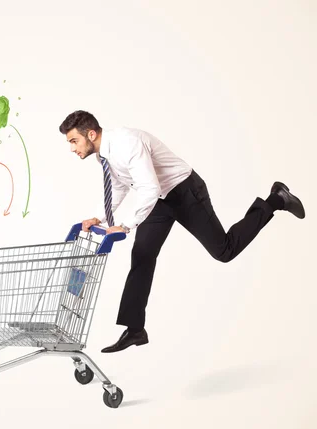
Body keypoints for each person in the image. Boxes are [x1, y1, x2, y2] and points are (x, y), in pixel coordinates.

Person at [59, 110, 306, 353]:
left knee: (224, 251)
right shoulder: (104, 156)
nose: (72, 148)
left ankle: (275, 200)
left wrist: (125, 225)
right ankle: (135, 329)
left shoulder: (126, 144)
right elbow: (120, 186)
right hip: (158, 199)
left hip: (184, 192)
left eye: (74, 141)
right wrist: (100, 217)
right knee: (142, 256)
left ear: (91, 134)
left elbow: (149, 187)